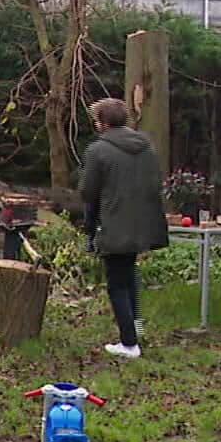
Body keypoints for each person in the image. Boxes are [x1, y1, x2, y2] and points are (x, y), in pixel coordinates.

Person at [78, 97, 167, 358]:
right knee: (129, 278)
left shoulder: (98, 151)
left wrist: (91, 228)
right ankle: (135, 331)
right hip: (144, 223)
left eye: (96, 120)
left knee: (117, 283)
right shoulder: (146, 147)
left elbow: (87, 192)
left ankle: (129, 343)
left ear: (103, 122)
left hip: (114, 225)